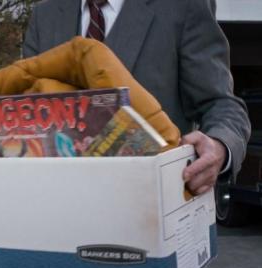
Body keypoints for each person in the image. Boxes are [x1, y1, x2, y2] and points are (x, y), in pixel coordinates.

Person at [23, 0, 250, 194]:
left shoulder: (182, 6)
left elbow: (220, 104)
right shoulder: (45, 15)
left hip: (149, 209)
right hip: (59, 208)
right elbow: (28, 111)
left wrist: (220, 146)